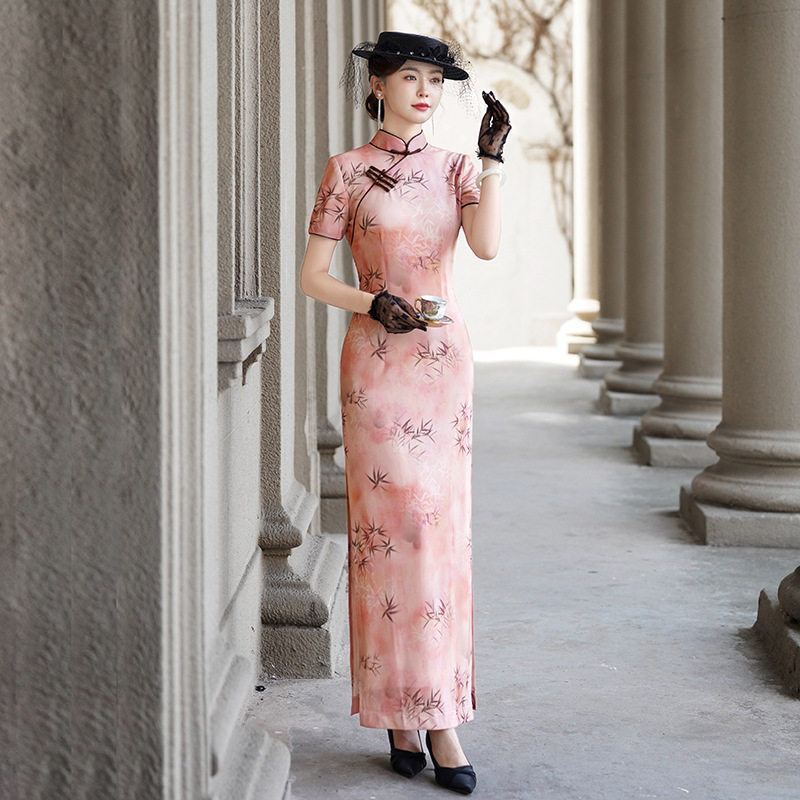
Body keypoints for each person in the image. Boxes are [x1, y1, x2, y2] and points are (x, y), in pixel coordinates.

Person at [299, 30, 510, 795]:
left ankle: (436, 715)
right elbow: (313, 277)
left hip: (443, 367)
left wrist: (491, 161)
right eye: (411, 77)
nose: (425, 91)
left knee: (439, 536)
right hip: (378, 368)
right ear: (378, 84)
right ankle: (402, 712)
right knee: (389, 537)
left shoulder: (456, 168)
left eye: (435, 80)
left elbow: (485, 248)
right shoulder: (347, 171)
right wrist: (371, 302)